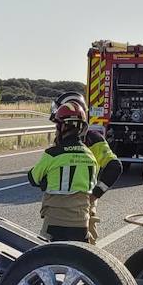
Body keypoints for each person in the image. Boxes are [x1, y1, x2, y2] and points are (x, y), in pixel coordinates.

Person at [28, 95, 116, 243]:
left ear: (63, 126)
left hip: (55, 223)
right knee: (85, 256)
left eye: (57, 125)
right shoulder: (90, 155)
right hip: (82, 219)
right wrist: (95, 193)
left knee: (47, 257)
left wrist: (45, 181)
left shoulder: (53, 153)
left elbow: (33, 178)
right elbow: (110, 167)